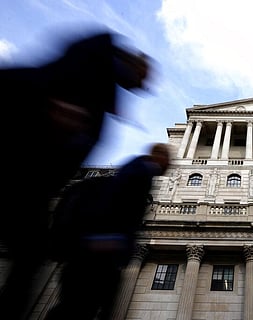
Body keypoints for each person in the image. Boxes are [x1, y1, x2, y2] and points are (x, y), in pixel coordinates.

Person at [0, 28, 152, 320]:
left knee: (31, 258)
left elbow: (61, 173)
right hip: (14, 162)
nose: (141, 86)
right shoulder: (90, 63)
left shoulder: (99, 115)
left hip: (28, 189)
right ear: (133, 63)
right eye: (142, 77)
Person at [44, 142, 170, 320]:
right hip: (98, 250)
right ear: (160, 157)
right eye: (167, 160)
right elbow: (116, 206)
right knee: (78, 308)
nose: (169, 165)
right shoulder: (139, 173)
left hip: (100, 251)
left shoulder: (138, 172)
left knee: (81, 307)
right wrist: (109, 239)